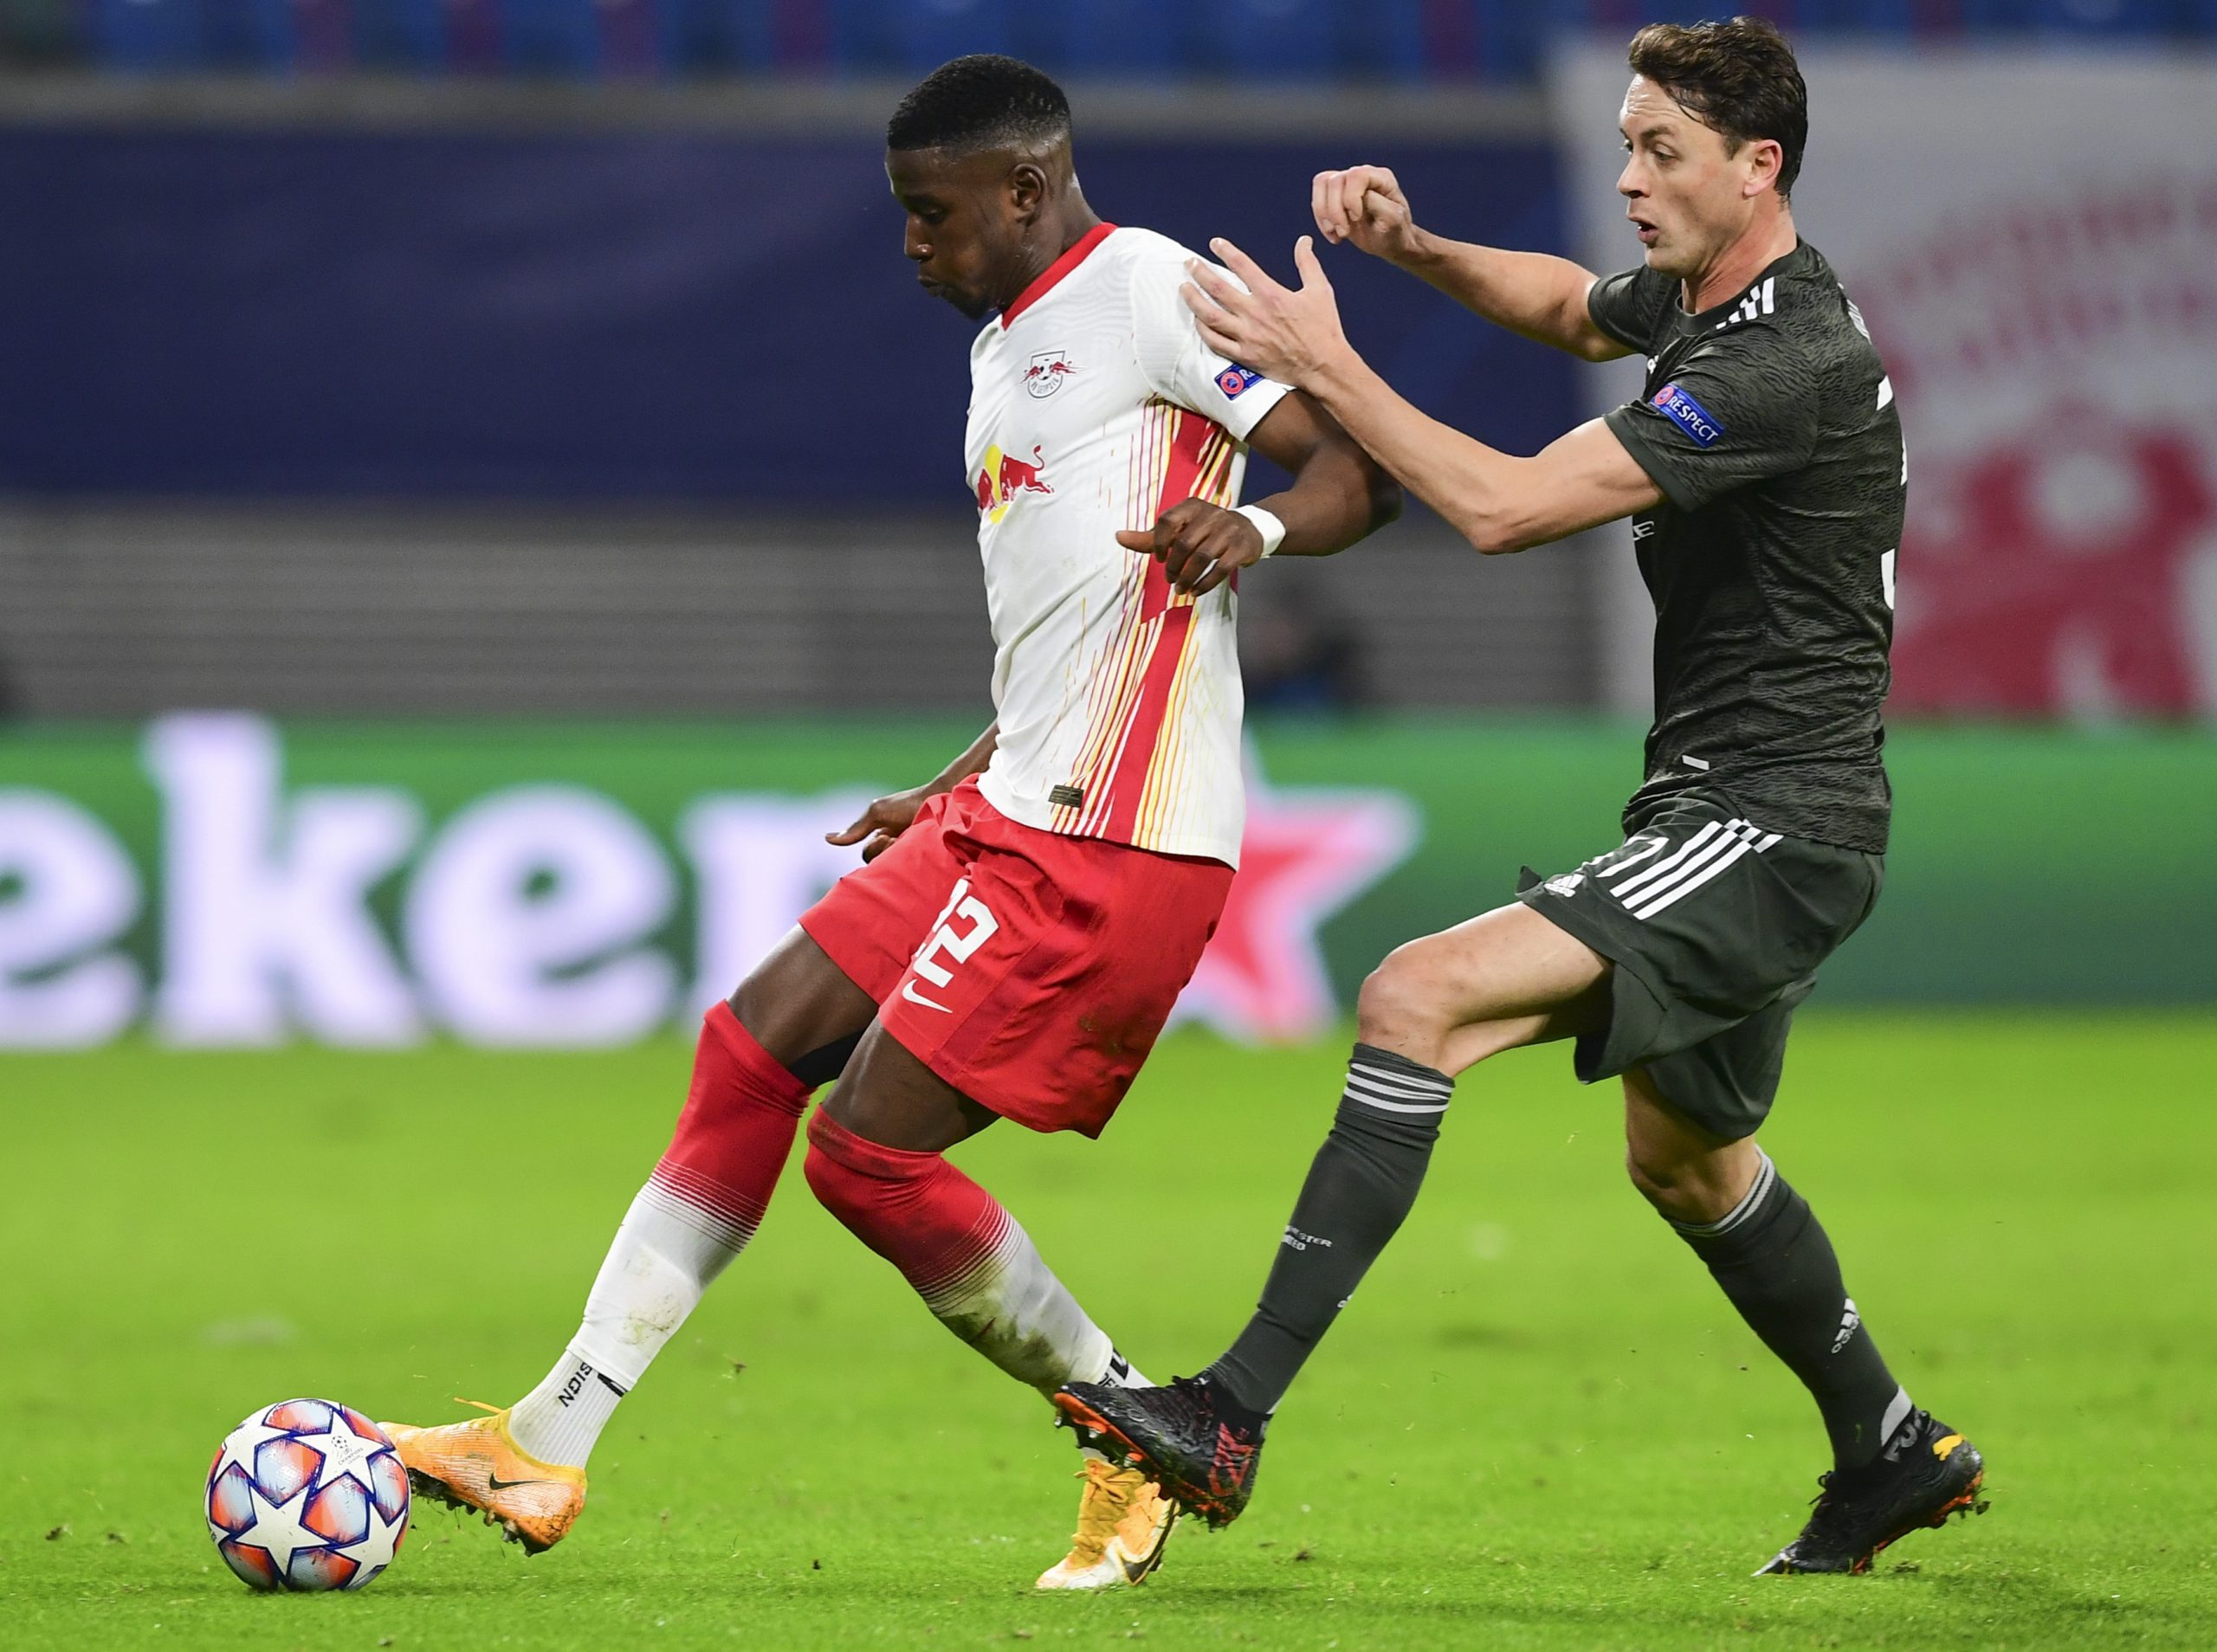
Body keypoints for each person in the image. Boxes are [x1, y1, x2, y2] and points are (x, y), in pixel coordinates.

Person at [380, 54, 1398, 1593]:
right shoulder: (1010, 347)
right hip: (1017, 801)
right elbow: (1077, 619)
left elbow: (1359, 466)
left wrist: (1253, 518)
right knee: (750, 1045)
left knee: (863, 1160)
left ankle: (1138, 1430)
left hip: (1113, 840)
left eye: (931, 214)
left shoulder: (1146, 290)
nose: (912, 242)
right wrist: (962, 770)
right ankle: (548, 1437)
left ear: (1026, 188)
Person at [1057, 18, 1986, 1578]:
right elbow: (1570, 305)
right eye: (1625, 144)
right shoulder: (1717, 297)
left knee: (1417, 998)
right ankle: (1888, 1448)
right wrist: (1416, 246)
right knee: (1686, 1159)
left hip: (1770, 820)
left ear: (1760, 168)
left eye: (1661, 153)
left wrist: (1328, 360)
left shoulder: (1783, 361)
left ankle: (1228, 1415)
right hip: (1731, 806)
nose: (1628, 179)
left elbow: (1503, 510)